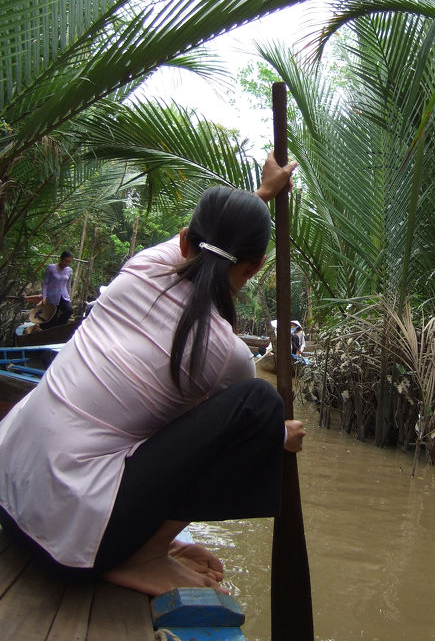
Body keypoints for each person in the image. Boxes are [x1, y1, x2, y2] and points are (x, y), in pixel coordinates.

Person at [0, 153, 306, 597]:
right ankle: (145, 555)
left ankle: (140, 544)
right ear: (256, 267)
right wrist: (275, 434)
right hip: (66, 546)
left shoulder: (141, 267)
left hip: (9, 486)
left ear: (184, 240)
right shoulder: (229, 356)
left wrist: (260, 195)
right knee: (260, 406)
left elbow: (208, 242)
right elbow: (229, 436)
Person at [39, 250, 74, 328]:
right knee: (51, 316)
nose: (67, 263)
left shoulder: (69, 270)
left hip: (63, 295)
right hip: (52, 295)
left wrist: (69, 297)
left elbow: (68, 285)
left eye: (69, 262)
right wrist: (44, 296)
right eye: (66, 261)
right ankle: (47, 331)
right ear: (61, 259)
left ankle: (59, 327)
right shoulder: (51, 267)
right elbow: (45, 284)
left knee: (69, 310)